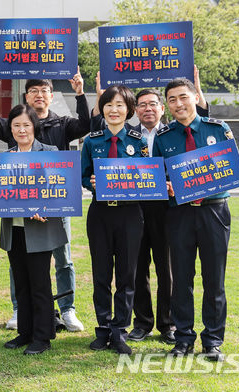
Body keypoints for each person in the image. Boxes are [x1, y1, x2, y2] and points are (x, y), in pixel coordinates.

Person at [89, 67, 209, 345]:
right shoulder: (128, 134)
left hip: (166, 209)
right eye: (141, 105)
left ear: (162, 107)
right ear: (135, 110)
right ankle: (142, 322)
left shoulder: (173, 131)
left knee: (165, 268)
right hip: (133, 208)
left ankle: (166, 324)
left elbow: (200, 118)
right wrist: (100, 98)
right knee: (136, 267)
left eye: (152, 103)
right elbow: (101, 127)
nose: (147, 109)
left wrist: (197, 89)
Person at [0, 66, 88, 332]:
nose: (39, 95)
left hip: (55, 205)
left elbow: (86, 125)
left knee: (63, 259)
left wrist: (80, 95)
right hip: (19, 206)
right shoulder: (14, 125)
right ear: (26, 96)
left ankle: (67, 309)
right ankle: (20, 309)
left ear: (51, 96)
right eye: (34, 91)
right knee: (20, 260)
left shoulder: (62, 124)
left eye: (44, 91)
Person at [152, 78, 239, 361]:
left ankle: (212, 341)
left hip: (214, 212)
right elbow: (159, 177)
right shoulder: (163, 137)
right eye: (172, 100)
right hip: (179, 214)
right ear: (167, 106)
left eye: (183, 97)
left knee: (214, 280)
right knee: (181, 279)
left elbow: (233, 165)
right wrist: (166, 185)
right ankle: (183, 339)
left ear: (195, 97)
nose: (179, 104)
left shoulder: (218, 129)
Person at [81, 84, 148, 355]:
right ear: (103, 109)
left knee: (126, 275)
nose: (114, 109)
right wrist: (92, 182)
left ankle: (120, 330)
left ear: (129, 110)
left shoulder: (138, 141)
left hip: (130, 213)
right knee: (100, 274)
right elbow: (82, 175)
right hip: (100, 212)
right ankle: (103, 328)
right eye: (109, 104)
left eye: (120, 105)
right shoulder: (92, 140)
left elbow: (149, 177)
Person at [0, 104, 69, 355]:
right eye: (16, 125)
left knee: (40, 283)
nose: (21, 130)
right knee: (21, 283)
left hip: (41, 229)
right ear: (11, 128)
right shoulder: (5, 157)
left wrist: (47, 207)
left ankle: (43, 336)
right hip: (14, 228)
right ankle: (25, 332)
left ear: (34, 126)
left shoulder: (50, 152)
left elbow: (62, 190)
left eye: (26, 125)